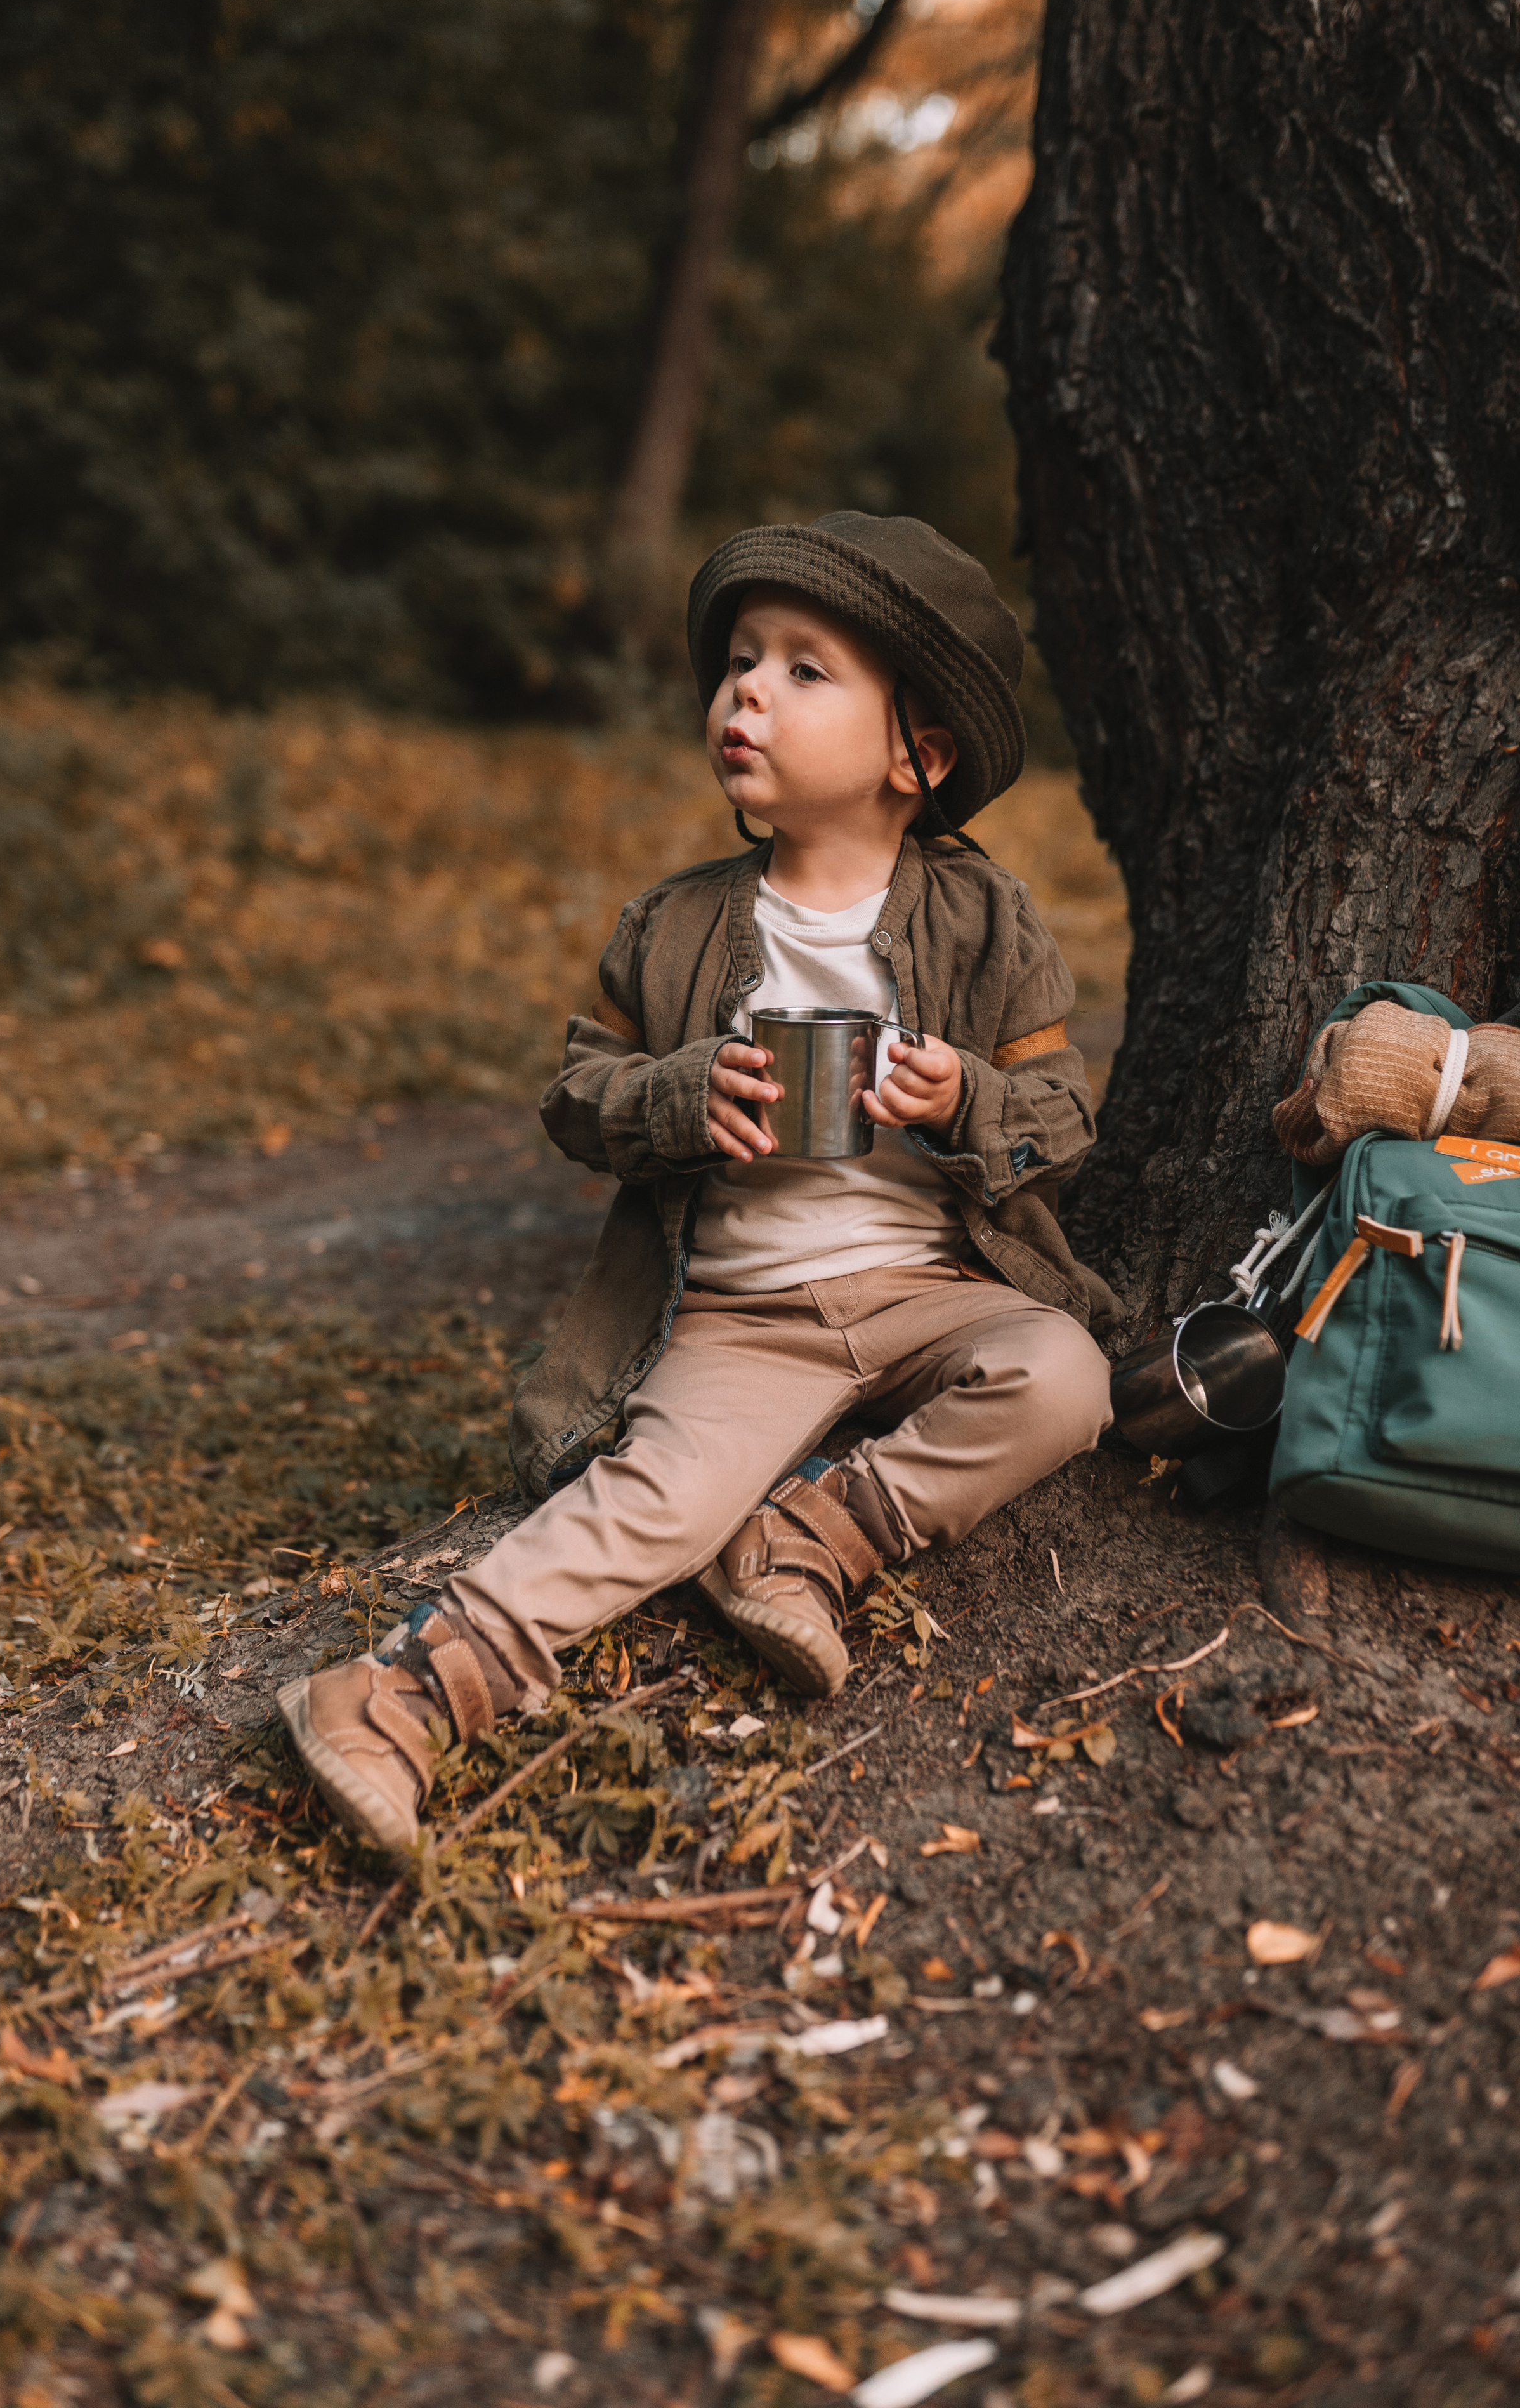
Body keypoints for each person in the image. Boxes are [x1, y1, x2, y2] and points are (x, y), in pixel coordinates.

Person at [280, 512, 1118, 1853]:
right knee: (659, 1496)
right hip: (743, 1316)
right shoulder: (671, 927)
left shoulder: (985, 921)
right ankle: (400, 1696)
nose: (746, 692)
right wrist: (679, 1098)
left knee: (1059, 1374)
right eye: (740, 661)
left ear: (922, 754)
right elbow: (575, 1097)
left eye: (804, 671)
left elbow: (1062, 1111)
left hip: (925, 1292)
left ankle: (810, 1543)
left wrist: (962, 1096)